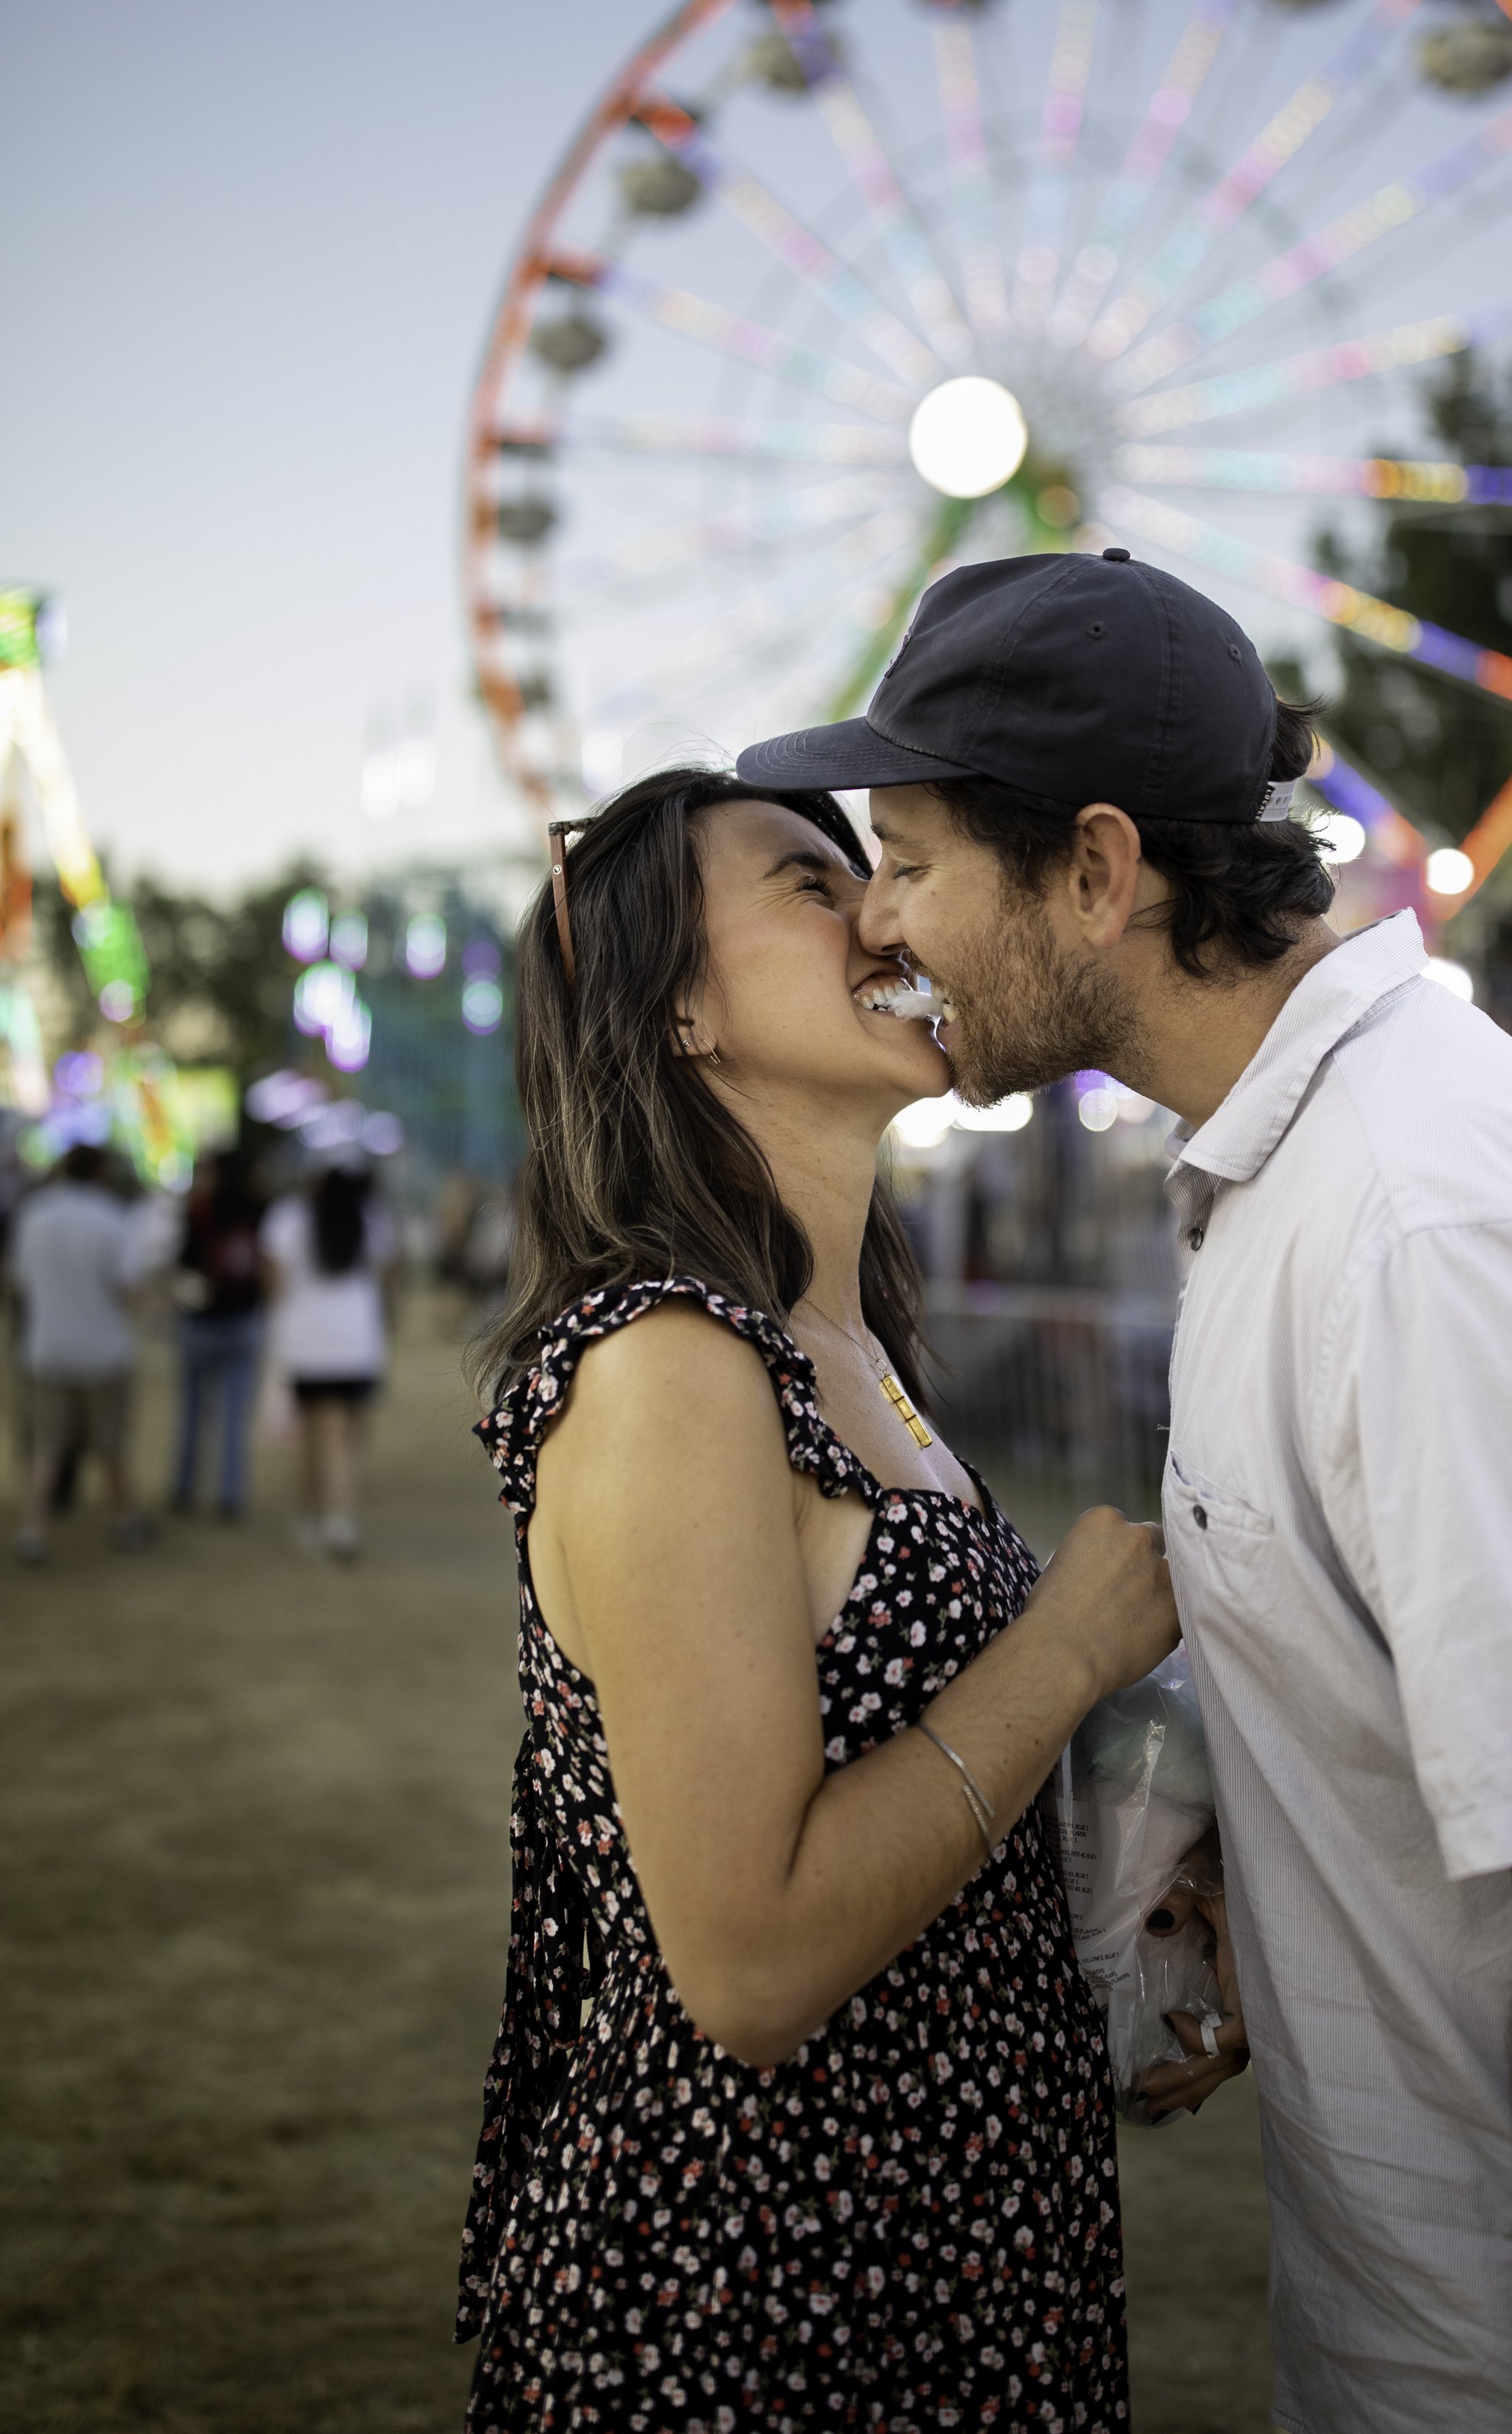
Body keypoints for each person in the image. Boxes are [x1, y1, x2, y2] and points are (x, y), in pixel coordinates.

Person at [740, 546, 1512, 2434]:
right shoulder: (1297, 1174)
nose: (881, 926)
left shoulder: (1427, 1221)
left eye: (911, 857)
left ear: (1097, 868)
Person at [455, 765, 1182, 2433]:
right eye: (804, 882)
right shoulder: (668, 1367)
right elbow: (751, 1963)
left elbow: (914, 1775)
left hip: (954, 2251)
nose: (882, 911)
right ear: (678, 1010)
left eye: (875, 870)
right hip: (756, 2288)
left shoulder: (849, 1359)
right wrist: (1064, 1649)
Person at [5, 1140, 155, 1563]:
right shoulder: (111, 1219)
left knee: (46, 1447)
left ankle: (33, 1530)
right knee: (112, 1444)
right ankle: (124, 1521)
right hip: (104, 1351)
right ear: (102, 1173)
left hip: (46, 1347)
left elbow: (18, 1281)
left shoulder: (35, 1215)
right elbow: (128, 1289)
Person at [261, 1153, 399, 1558]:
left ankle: (327, 1517)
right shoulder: (372, 1218)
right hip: (359, 1343)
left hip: (307, 1344)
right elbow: (389, 1272)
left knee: (316, 1436)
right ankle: (330, 1515)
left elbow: (273, 1281)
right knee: (346, 1436)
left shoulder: (289, 1217)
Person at [170, 1148, 266, 1520]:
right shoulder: (259, 1211)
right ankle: (231, 1494)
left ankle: (184, 1487)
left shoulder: (199, 1211)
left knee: (192, 1410)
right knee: (234, 1415)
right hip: (243, 1320)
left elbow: (184, 1264)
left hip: (200, 1321)